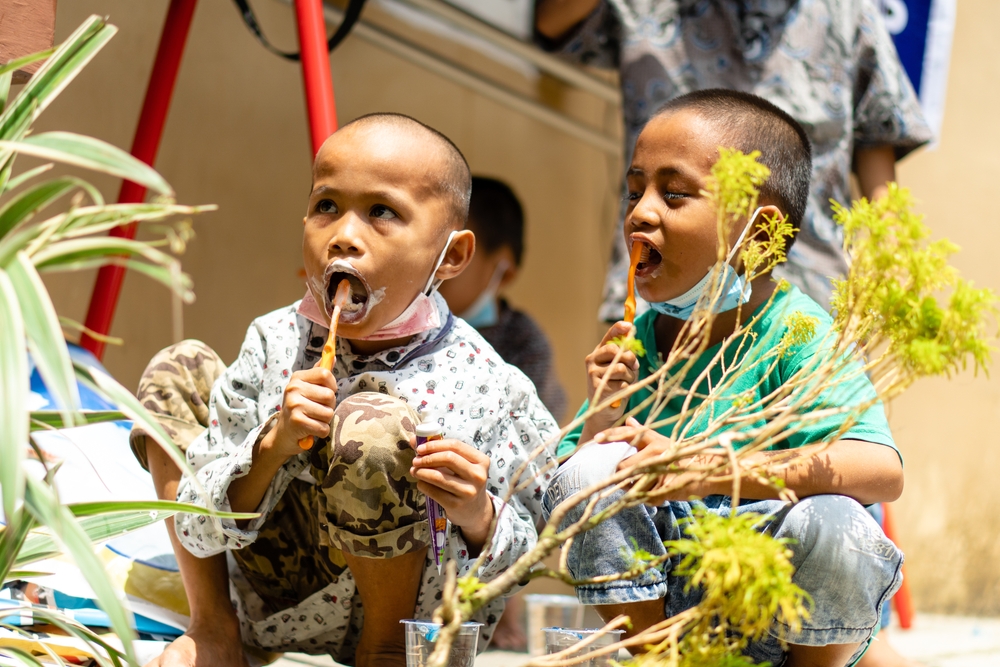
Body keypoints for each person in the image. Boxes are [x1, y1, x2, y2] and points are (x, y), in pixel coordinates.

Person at [129, 114, 559, 667]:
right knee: (178, 367)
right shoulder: (274, 342)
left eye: (382, 212)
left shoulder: (486, 382)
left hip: (410, 634)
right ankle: (214, 628)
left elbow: (539, 551)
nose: (344, 237)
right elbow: (196, 521)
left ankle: (382, 652)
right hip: (276, 604)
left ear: (450, 256)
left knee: (372, 422)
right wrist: (271, 446)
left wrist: (478, 513)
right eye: (326, 206)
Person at [543, 90, 905, 666]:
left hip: (784, 609)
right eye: (635, 190)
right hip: (673, 614)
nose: (640, 211)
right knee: (588, 469)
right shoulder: (635, 338)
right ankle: (656, 659)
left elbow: (881, 471)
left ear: (758, 237)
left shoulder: (798, 331)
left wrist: (707, 470)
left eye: (675, 193)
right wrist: (604, 416)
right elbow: (567, 494)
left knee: (836, 520)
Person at [535, 0, 932, 316]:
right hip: (664, 289)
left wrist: (887, 261)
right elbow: (554, 23)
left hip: (809, 294)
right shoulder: (648, 6)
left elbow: (877, 137)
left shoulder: (848, 11)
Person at [438, 176, 568, 422]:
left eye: (451, 254)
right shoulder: (402, 320)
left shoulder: (523, 344)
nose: (433, 267)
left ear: (503, 271)